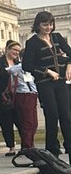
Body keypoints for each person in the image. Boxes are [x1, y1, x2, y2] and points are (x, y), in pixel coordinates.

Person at [22, 11, 71, 159]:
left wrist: (69, 65)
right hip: (45, 83)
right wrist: (47, 72)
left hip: (61, 81)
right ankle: (52, 150)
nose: (48, 27)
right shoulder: (32, 42)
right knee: (52, 115)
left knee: (66, 115)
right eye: (45, 24)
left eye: (50, 24)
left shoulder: (56, 37)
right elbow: (27, 65)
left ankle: (69, 146)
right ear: (38, 25)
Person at [0, 40, 24, 154]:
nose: (16, 53)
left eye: (18, 51)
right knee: (6, 122)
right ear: (7, 49)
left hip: (16, 96)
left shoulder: (18, 63)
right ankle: (11, 146)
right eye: (14, 50)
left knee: (20, 121)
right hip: (3, 97)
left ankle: (25, 144)